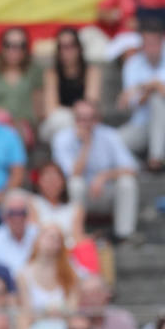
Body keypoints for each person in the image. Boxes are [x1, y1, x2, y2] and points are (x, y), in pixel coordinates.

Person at [51, 100, 139, 245]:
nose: (84, 124)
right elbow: (71, 174)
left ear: (97, 119)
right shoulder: (62, 138)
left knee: (127, 182)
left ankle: (124, 234)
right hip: (78, 196)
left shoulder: (110, 135)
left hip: (105, 194)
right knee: (75, 184)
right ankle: (77, 234)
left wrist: (104, 176)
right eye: (80, 119)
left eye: (88, 119)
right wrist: (86, 145)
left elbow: (132, 168)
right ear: (74, 119)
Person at [118, 20, 165, 172]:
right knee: (114, 141)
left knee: (158, 98)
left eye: (155, 43)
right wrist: (147, 91)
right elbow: (131, 102)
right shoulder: (132, 64)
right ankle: (137, 167)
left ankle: (156, 158)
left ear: (163, 42)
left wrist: (140, 89)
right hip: (144, 124)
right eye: (147, 43)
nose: (151, 48)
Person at [40, 27, 102, 144]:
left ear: (79, 48)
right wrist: (78, 113)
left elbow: (91, 104)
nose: (66, 52)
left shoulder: (92, 71)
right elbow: (51, 110)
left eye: (70, 46)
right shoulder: (52, 73)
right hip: (58, 123)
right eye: (62, 47)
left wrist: (81, 116)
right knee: (59, 121)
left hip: (82, 121)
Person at [0, 27, 42, 148]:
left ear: (26, 49)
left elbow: (39, 108)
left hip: (23, 127)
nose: (13, 50)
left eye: (20, 45)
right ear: (1, 47)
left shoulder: (34, 71)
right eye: (8, 45)